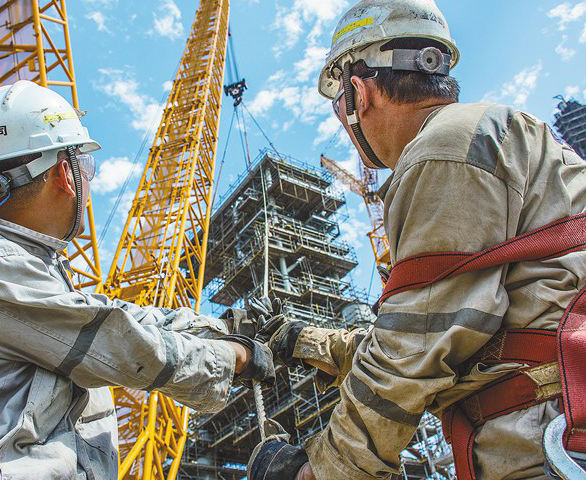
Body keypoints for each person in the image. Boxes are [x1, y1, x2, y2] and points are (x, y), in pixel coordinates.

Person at [246, 1, 586, 479]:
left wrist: (321, 471)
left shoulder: (443, 148)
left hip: (546, 441)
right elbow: (446, 329)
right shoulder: (496, 133)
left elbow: (414, 347)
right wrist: (304, 341)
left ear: (358, 94)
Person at [0, 80, 275, 480]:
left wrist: (223, 327)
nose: (90, 184)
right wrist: (236, 356)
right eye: (88, 167)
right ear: (67, 174)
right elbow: (120, 342)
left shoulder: (28, 271)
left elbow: (123, 316)